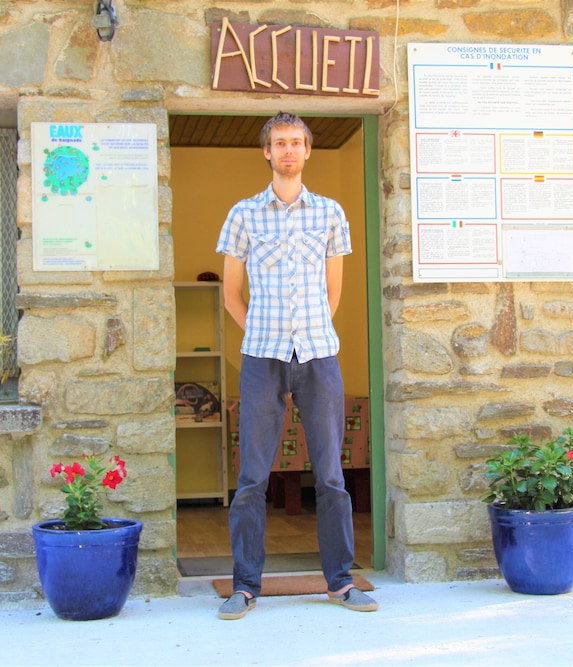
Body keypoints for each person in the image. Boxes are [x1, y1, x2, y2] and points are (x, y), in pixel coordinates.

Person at [214, 111, 378, 620]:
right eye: (279, 143)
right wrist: (263, 333)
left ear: (308, 152)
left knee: (330, 476)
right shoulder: (243, 214)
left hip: (318, 357)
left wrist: (304, 335)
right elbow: (230, 295)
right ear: (267, 152)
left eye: (296, 143)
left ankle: (341, 583)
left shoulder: (330, 213)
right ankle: (245, 586)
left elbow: (334, 292)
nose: (288, 150)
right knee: (251, 480)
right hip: (261, 359)